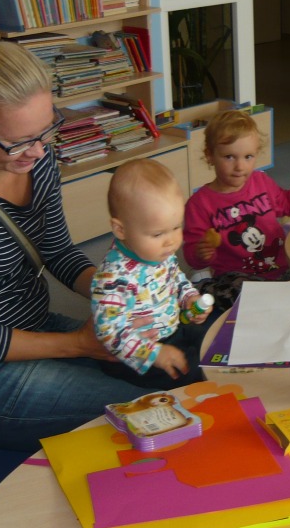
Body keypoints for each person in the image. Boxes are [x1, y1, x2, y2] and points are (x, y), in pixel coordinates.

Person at [0, 38, 163, 452]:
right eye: (18, 141)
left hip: (30, 329)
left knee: (175, 369)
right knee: (147, 414)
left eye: (45, 131)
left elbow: (57, 250)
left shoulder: (35, 160)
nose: (37, 152)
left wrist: (116, 291)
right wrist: (78, 344)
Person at [91, 158, 213, 385]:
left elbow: (176, 279)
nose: (171, 241)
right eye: (158, 234)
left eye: (176, 227)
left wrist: (189, 297)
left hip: (171, 327)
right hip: (139, 355)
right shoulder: (113, 277)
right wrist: (152, 353)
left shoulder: (158, 251)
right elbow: (109, 332)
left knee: (213, 336)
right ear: (121, 229)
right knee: (194, 371)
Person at [183, 108, 290, 311]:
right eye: (229, 157)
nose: (240, 166)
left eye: (248, 157)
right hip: (237, 277)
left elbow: (288, 205)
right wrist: (202, 253)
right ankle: (204, 286)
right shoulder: (199, 203)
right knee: (240, 295)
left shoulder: (261, 181)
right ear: (209, 155)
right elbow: (192, 256)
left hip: (280, 267)